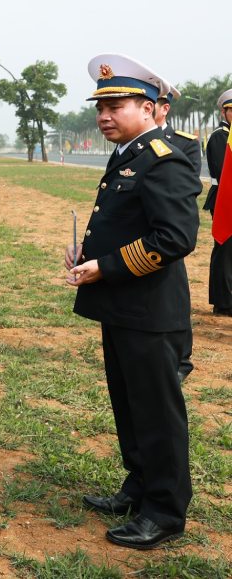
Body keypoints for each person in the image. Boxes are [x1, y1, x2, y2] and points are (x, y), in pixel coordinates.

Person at [66, 54, 199, 550]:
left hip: (150, 311)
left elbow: (174, 238)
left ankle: (164, 511)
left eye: (115, 106)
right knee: (129, 404)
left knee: (157, 412)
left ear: (149, 108)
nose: (103, 116)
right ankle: (139, 486)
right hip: (123, 307)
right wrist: (88, 253)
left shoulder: (164, 157)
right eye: (99, 107)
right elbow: (130, 222)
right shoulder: (129, 153)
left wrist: (106, 266)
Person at [203, 89, 232, 317]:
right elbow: (224, 173)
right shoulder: (220, 137)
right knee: (225, 248)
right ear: (224, 111)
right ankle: (224, 302)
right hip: (225, 197)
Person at [156, 82, 201, 176]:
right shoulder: (129, 139)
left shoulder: (187, 144)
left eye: (150, 104)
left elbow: (189, 185)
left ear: (165, 109)